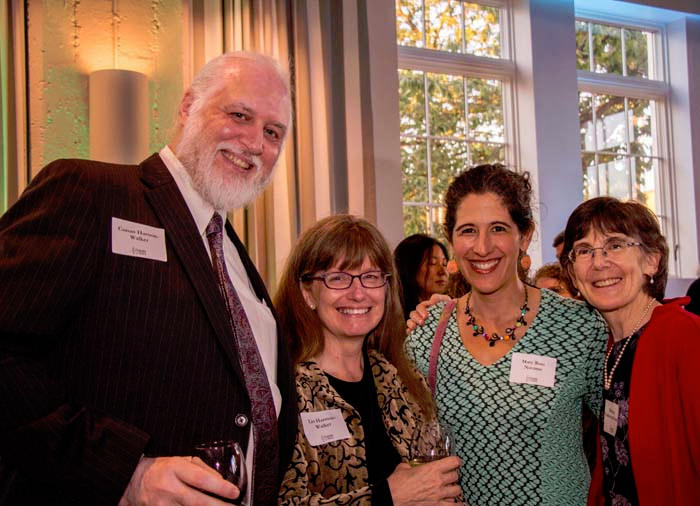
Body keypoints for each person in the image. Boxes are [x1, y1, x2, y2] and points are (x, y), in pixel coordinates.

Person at [0, 52, 296, 505]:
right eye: (239, 115)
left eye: (273, 132)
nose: (256, 143)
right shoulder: (90, 193)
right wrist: (126, 473)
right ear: (187, 106)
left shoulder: (233, 254)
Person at [405, 164, 608, 505]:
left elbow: (625, 443)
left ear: (524, 236)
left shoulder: (581, 329)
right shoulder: (426, 335)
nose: (482, 247)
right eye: (468, 231)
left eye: (498, 228)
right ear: (452, 239)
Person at [274, 215, 462, 505]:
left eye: (371, 277)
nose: (358, 293)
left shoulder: (401, 379)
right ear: (307, 292)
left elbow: (438, 483)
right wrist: (388, 497)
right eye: (338, 278)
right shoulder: (284, 390)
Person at [559, 197, 700, 505]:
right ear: (572, 273)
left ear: (652, 260)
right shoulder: (611, 347)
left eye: (616, 245)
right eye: (584, 250)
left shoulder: (685, 337)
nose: (599, 263)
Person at [394, 234, 450, 318]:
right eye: (432, 263)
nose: (443, 272)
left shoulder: (450, 309)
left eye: (444, 264)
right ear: (409, 268)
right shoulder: (396, 317)